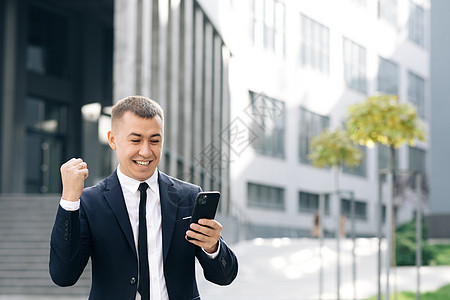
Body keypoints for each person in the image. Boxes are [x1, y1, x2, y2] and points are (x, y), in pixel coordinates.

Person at [49, 96, 238, 300]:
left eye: (155, 141)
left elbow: (224, 276)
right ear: (113, 139)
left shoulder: (189, 197)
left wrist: (213, 247)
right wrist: (69, 200)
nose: (146, 151)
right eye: (136, 140)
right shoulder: (90, 202)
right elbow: (63, 276)